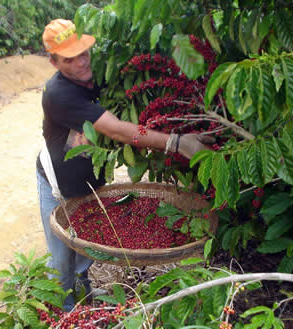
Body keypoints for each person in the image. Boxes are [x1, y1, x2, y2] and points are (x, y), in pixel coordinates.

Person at [36, 19, 212, 311]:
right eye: (70, 59)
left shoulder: (100, 74)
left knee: (85, 252)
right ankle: (66, 313)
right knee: (60, 259)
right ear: (53, 62)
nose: (81, 62)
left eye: (84, 53)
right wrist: (175, 143)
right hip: (57, 184)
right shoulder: (58, 94)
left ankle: (84, 292)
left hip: (90, 182)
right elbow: (117, 129)